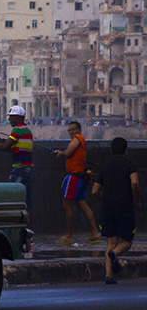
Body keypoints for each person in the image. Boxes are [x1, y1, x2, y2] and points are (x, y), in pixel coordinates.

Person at [92, 136, 141, 284]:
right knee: (126, 241)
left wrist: (104, 198)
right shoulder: (130, 165)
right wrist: (136, 200)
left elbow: (94, 191)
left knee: (110, 241)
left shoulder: (104, 166)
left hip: (107, 207)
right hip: (124, 207)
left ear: (110, 150)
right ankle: (115, 253)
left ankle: (108, 275)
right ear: (126, 151)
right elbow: (135, 183)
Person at [0, 105, 34, 234]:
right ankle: (28, 232)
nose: (10, 120)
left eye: (11, 117)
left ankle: (12, 230)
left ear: (18, 117)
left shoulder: (17, 130)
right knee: (28, 203)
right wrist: (1, 143)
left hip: (20, 169)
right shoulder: (27, 131)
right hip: (29, 169)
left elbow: (4, 147)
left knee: (11, 198)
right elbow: (12, 147)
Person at [53, 121, 100, 244]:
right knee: (82, 205)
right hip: (81, 176)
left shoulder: (78, 138)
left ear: (79, 130)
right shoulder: (80, 139)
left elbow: (68, 153)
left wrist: (60, 153)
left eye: (73, 129)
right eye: (69, 130)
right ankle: (95, 232)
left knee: (67, 205)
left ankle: (68, 235)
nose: (71, 132)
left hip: (74, 176)